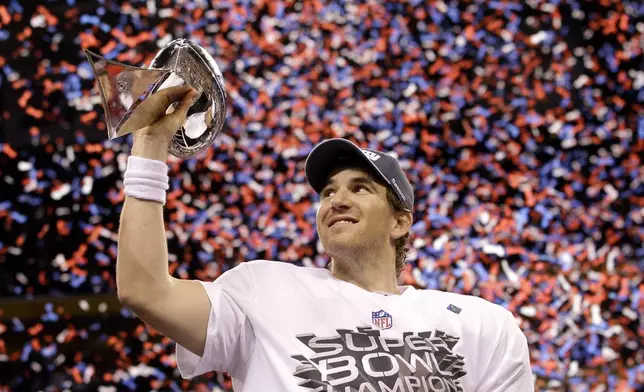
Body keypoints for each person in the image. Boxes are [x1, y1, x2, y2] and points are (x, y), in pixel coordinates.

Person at [116, 85, 535, 392]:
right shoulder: (262, 289)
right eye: (328, 193)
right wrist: (150, 145)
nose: (337, 200)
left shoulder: (483, 325)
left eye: (360, 188)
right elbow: (146, 292)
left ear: (400, 223)